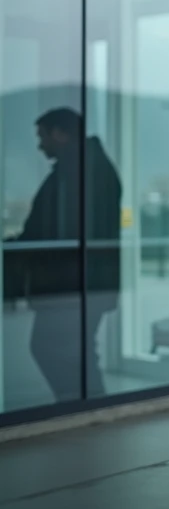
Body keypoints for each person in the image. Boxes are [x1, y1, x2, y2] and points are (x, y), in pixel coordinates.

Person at [5, 108, 121, 402]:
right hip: (81, 281)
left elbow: (62, 229)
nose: (40, 145)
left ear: (60, 133)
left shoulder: (79, 172)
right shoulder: (81, 168)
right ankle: (88, 404)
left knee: (52, 347)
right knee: (74, 349)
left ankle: (84, 403)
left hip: (75, 282)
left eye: (42, 136)